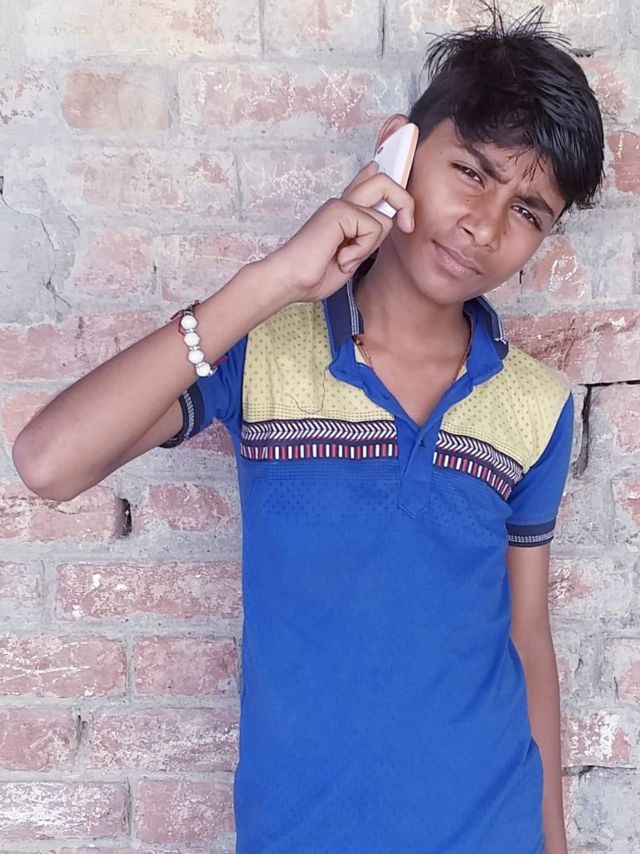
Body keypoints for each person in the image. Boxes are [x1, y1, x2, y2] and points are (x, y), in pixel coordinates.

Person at [12, 5, 604, 853]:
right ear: (399, 148)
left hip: (490, 828)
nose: (485, 224)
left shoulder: (536, 404)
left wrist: (553, 842)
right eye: (471, 171)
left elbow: (526, 634)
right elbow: (48, 462)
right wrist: (278, 278)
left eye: (529, 211)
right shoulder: (264, 352)